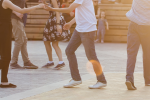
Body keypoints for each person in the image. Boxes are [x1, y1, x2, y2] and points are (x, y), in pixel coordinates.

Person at [44, 0, 107, 89]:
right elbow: (80, 13)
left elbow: (69, 9)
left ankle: (101, 80)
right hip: (79, 29)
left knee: (91, 56)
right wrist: (70, 23)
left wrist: (52, 9)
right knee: (69, 51)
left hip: (88, 30)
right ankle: (76, 78)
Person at [0, 0, 44, 88]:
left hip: (5, 28)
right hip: (4, 29)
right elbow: (22, 10)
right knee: (6, 57)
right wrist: (38, 6)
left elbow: (11, 10)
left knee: (6, 57)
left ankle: (4, 82)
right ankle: (4, 81)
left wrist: (14, 11)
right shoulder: (5, 1)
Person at [126, 0, 150, 90]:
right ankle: (148, 80)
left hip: (133, 24)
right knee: (147, 54)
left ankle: (129, 78)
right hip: (147, 26)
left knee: (131, 54)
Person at [42, 0, 70, 70]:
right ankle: (50, 61)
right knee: (46, 40)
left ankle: (61, 61)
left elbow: (57, 11)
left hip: (55, 21)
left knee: (54, 43)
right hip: (51, 20)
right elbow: (52, 10)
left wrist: (58, 24)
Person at [10, 0, 38, 69]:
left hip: (19, 19)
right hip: (14, 18)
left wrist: (25, 9)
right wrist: (15, 12)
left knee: (24, 40)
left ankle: (26, 62)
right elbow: (5, 4)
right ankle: (13, 62)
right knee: (19, 40)